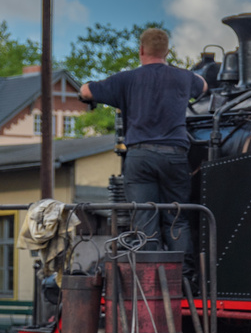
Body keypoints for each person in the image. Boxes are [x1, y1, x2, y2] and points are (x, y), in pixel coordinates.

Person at [80, 28, 208, 267]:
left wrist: (86, 90)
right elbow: (203, 86)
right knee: (178, 218)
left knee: (145, 217)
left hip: (140, 156)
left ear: (141, 50)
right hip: (175, 155)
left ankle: (152, 276)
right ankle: (185, 276)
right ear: (167, 52)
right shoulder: (182, 77)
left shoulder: (126, 79)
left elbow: (86, 90)